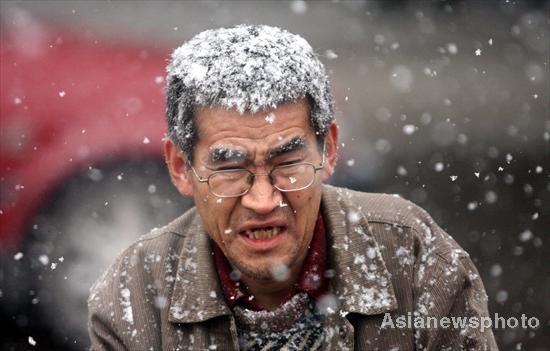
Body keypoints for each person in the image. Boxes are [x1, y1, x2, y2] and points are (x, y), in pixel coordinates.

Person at [88, 25, 497, 350]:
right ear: (180, 167)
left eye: (287, 163)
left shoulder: (413, 258)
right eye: (231, 169)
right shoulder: (137, 294)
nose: (263, 201)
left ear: (330, 150)